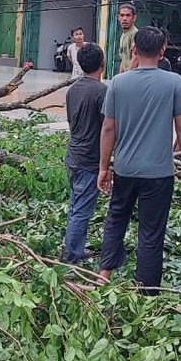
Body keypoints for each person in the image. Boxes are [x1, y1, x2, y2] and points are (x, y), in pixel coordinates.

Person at [97, 26, 181, 295]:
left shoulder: (118, 82)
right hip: (158, 173)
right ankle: (147, 291)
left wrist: (104, 167)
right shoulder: (175, 82)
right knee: (151, 232)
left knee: (116, 219)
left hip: (126, 169)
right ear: (163, 50)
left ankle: (104, 274)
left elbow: (108, 128)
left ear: (135, 50)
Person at [64, 43, 106, 264]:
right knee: (81, 210)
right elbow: (107, 127)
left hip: (73, 154)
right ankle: (71, 259)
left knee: (75, 205)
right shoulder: (101, 92)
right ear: (102, 65)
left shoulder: (73, 89)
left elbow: (71, 121)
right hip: (89, 159)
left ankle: (75, 249)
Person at [118, 2, 138, 73]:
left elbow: (135, 59)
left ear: (134, 18)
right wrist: (119, 77)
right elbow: (123, 60)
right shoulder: (123, 35)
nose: (124, 18)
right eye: (122, 15)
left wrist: (127, 77)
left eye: (128, 15)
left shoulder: (135, 34)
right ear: (118, 18)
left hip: (133, 75)